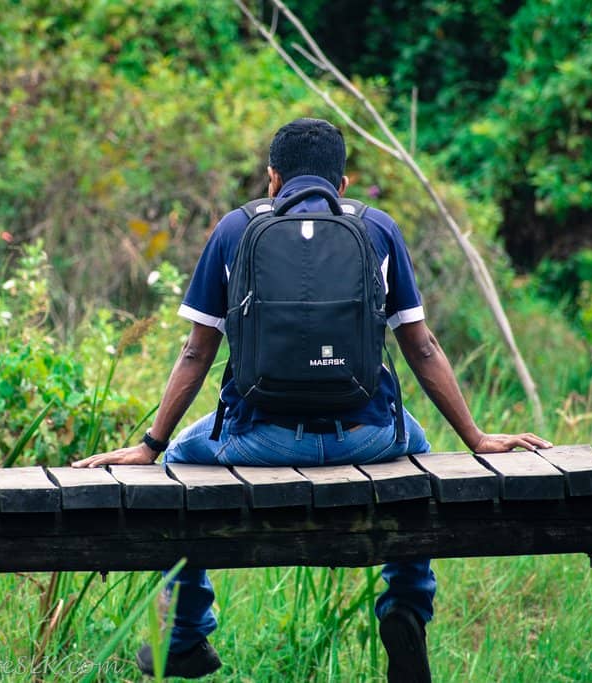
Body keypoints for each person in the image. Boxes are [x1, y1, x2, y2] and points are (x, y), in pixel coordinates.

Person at [73, 118, 551, 681]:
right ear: (342, 184)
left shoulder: (234, 229)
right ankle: (406, 604)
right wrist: (476, 438)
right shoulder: (377, 229)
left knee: (181, 460)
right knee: (419, 451)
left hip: (259, 441)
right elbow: (421, 349)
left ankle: (184, 635)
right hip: (369, 437)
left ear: (272, 179)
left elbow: (196, 354)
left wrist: (151, 446)